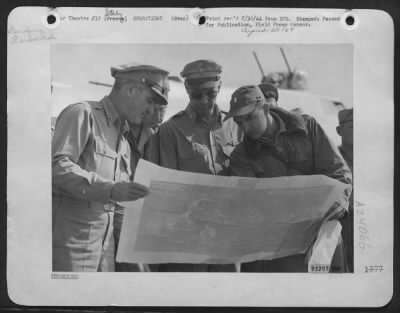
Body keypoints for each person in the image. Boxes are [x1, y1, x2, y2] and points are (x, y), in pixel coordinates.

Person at [52, 63, 169, 272]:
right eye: (150, 100)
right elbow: (57, 167)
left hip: (105, 254)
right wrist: (111, 189)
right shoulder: (83, 114)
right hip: (71, 251)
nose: (152, 110)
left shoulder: (123, 139)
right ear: (131, 90)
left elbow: (119, 205)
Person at [225, 84, 352, 272]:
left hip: (323, 243)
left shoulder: (308, 128)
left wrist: (332, 209)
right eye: (239, 122)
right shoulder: (241, 157)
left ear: (266, 108)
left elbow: (340, 175)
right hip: (277, 254)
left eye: (250, 118)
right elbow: (250, 207)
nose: (245, 127)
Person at [145, 59, 242, 272]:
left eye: (211, 94)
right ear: (188, 90)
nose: (205, 101)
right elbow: (165, 188)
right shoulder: (171, 131)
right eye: (197, 95)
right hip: (186, 233)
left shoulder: (235, 126)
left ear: (219, 87)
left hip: (226, 233)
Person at [115, 103, 169, 272]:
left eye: (163, 110)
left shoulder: (155, 135)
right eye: (157, 108)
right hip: (119, 208)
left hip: (146, 212)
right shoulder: (118, 129)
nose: (159, 118)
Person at [336, 108, 354, 272]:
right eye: (352, 127)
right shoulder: (331, 158)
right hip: (341, 225)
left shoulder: (372, 158)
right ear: (339, 131)